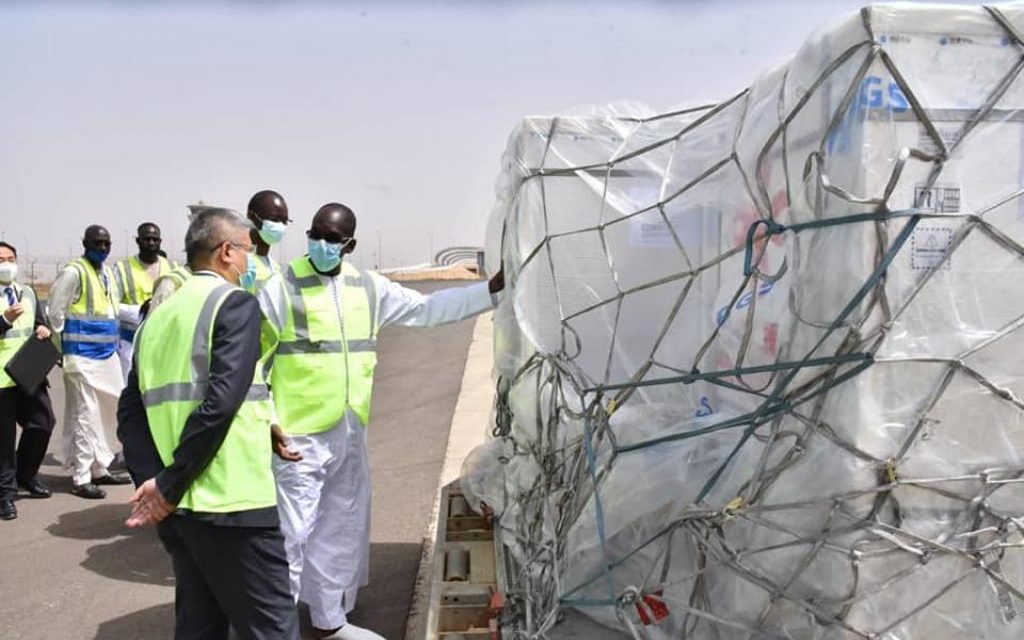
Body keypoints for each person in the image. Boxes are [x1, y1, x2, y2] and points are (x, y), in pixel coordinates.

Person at [258, 203, 504, 640]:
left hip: (348, 427)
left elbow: (428, 311)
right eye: (316, 234)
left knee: (341, 524)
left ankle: (328, 621)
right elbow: (252, 365)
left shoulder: (366, 286)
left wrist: (491, 291)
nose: (322, 244)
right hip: (297, 436)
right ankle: (274, 629)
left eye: (333, 239)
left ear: (349, 244)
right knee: (291, 534)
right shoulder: (281, 287)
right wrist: (269, 422)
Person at [117, 207, 298, 640]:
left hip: (180, 510)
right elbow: (219, 404)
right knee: (273, 628)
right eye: (247, 251)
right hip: (231, 501)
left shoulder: (157, 318)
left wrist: (155, 484)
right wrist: (168, 486)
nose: (251, 262)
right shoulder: (234, 304)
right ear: (225, 252)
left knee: (200, 626)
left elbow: (132, 411)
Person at [48, 225, 130, 499]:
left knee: (110, 410)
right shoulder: (74, 271)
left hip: (107, 357)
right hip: (80, 357)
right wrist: (62, 351)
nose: (103, 248)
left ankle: (99, 468)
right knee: (86, 416)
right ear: (85, 243)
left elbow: (112, 312)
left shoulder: (107, 272)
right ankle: (82, 477)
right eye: (97, 243)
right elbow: (55, 313)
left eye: (107, 244)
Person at [0, 241, 57, 520]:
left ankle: (26, 474)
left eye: (10, 258)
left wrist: (43, 329)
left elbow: (38, 323)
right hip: (1, 380)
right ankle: (5, 494)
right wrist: (4, 320)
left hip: (28, 373)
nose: (7, 264)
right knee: (4, 440)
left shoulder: (28, 292)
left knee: (43, 422)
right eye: (1, 260)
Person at [112, 223, 175, 377]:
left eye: (155, 239)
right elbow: (111, 304)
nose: (151, 243)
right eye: (147, 239)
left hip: (163, 341)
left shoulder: (172, 267)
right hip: (131, 343)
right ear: (138, 241)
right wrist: (138, 310)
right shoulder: (122, 269)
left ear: (160, 241)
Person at [247, 189, 291, 290]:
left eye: (284, 221)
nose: (280, 225)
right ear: (252, 217)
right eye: (274, 219)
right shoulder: (241, 264)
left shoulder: (276, 268)